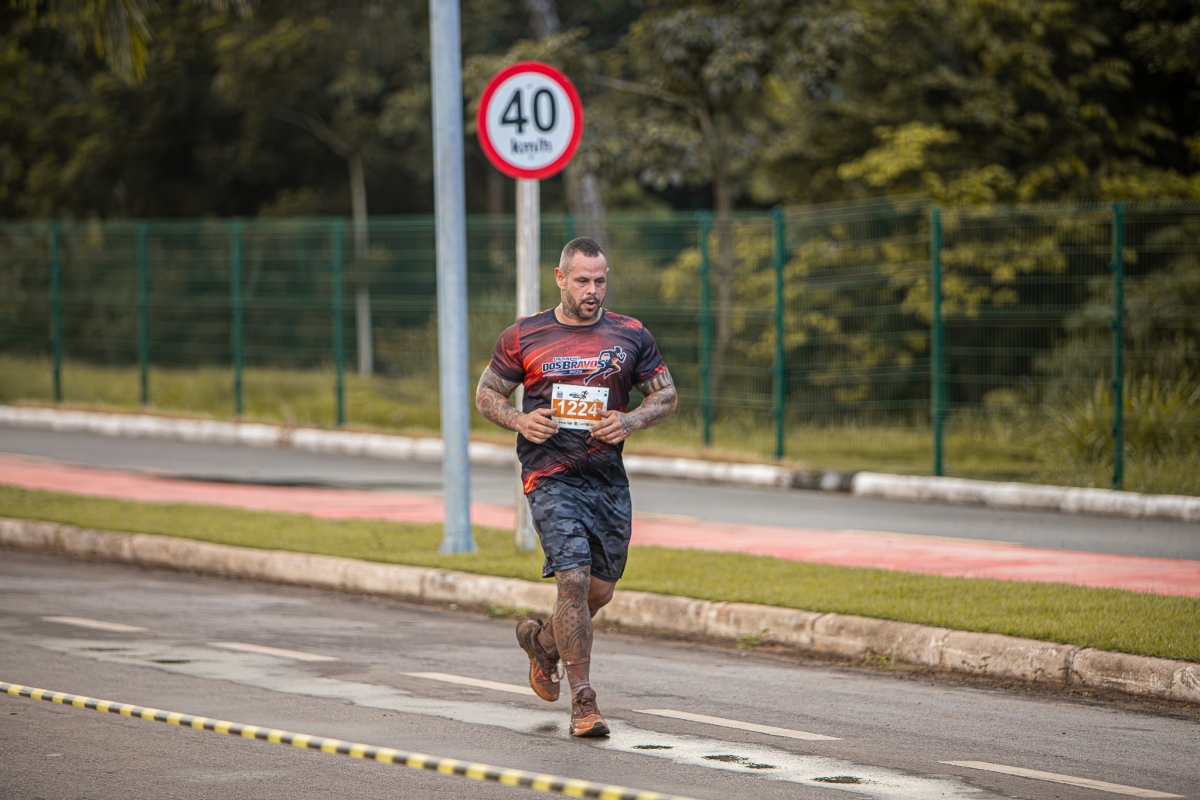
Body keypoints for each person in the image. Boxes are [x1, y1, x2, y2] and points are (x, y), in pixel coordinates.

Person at [475, 236, 678, 737]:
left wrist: (629, 421)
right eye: (583, 280)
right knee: (573, 580)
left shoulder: (630, 334)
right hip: (549, 475)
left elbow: (666, 395)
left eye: (600, 281)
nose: (592, 290)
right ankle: (584, 703)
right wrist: (520, 421)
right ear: (560, 278)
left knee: (600, 590)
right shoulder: (525, 335)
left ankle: (543, 643)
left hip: (606, 478)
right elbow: (487, 393)